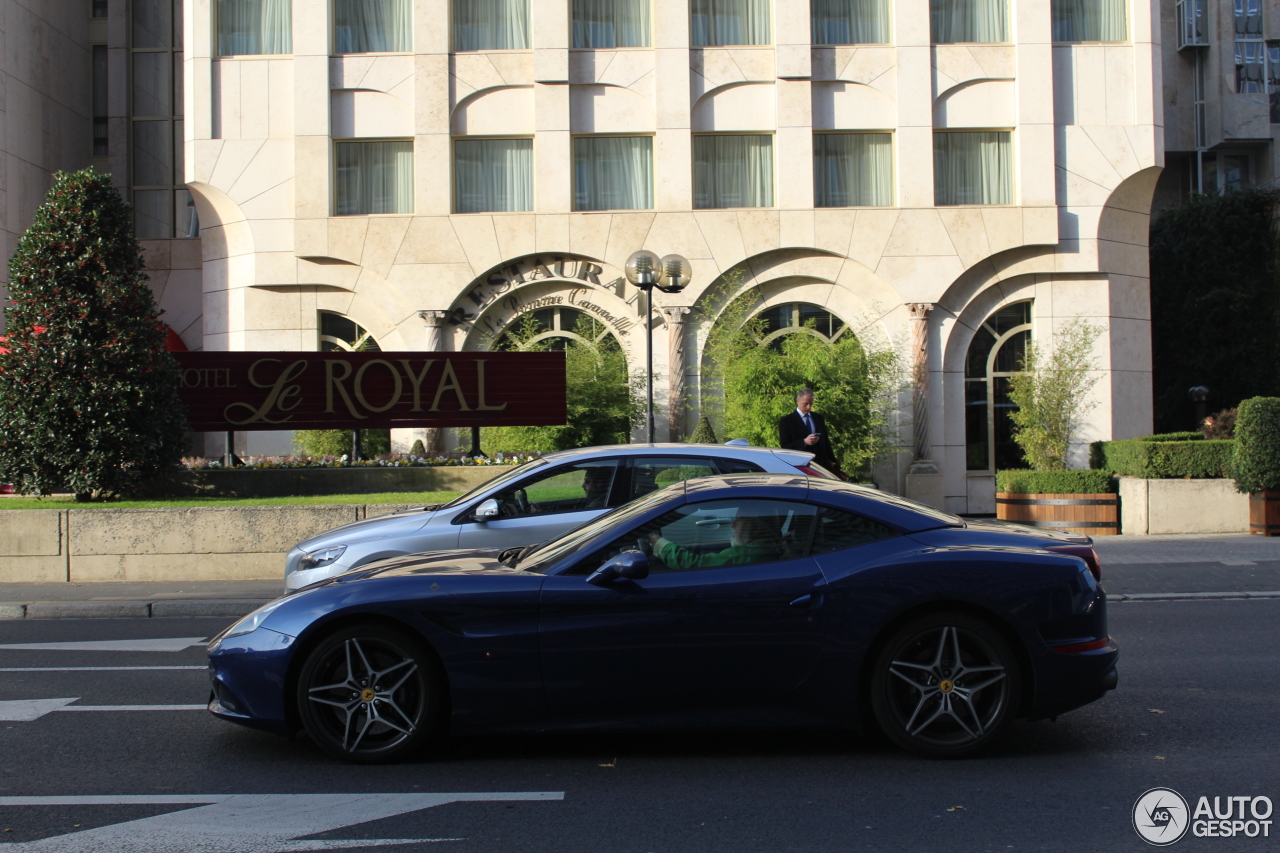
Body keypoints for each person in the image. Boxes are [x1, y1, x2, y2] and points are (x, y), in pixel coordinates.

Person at [647, 514, 782, 570]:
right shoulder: (772, 547)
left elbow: (695, 565)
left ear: (757, 526)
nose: (732, 525)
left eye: (740, 520)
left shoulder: (747, 554)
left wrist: (656, 541)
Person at [778, 388, 844, 477]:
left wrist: (835, 465)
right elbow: (785, 447)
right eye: (805, 404)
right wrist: (804, 442)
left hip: (821, 467)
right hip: (801, 468)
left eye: (811, 404)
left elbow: (826, 444)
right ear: (797, 401)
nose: (808, 407)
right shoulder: (787, 421)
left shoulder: (818, 418)